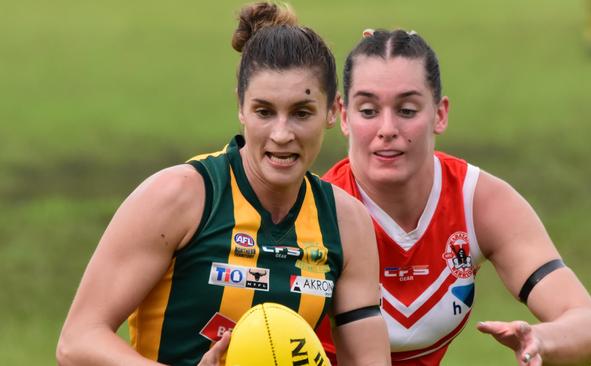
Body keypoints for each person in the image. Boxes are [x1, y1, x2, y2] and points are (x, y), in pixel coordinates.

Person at [56, 3, 390, 365]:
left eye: (301, 112)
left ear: (332, 111)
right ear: (241, 107)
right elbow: (77, 342)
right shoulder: (180, 197)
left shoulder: (346, 223)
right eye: (264, 111)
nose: (281, 134)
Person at [316, 29, 591, 365]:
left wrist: (540, 339)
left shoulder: (477, 201)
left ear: (439, 114)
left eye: (408, 110)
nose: (387, 128)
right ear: (343, 115)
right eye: (368, 110)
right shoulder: (315, 213)